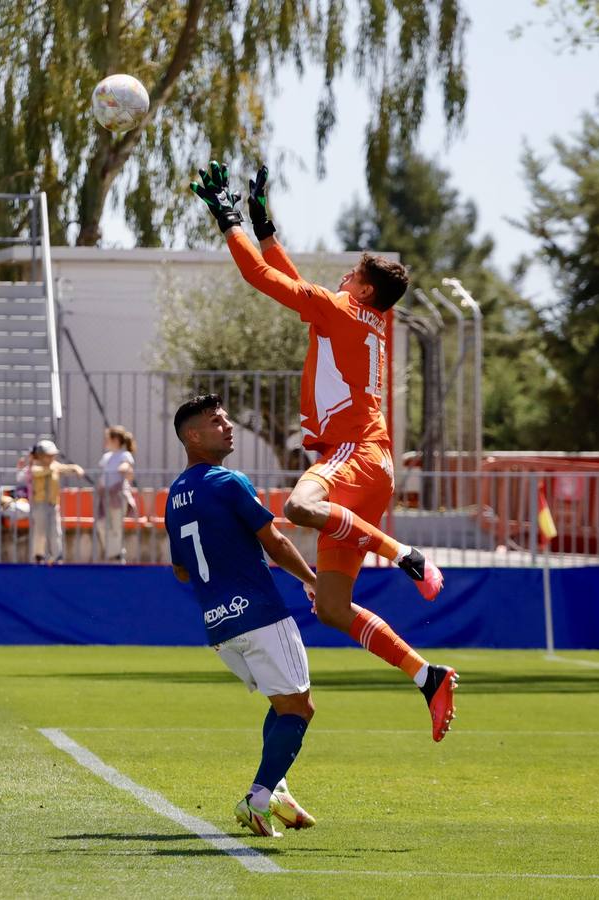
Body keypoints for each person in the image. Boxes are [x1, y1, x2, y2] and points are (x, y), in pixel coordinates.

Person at [192, 160, 456, 741]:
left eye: (352, 270)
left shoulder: (339, 311)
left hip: (352, 453)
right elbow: (286, 279)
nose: (342, 273)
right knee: (333, 607)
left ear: (362, 287)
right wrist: (263, 225)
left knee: (299, 504)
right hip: (374, 463)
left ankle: (406, 554)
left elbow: (263, 281)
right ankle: (427, 675)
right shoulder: (363, 318)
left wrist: (227, 219)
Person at [166, 395, 320, 839]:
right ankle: (258, 797)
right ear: (193, 436)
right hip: (259, 612)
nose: (228, 426)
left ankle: (279, 793)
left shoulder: (175, 494)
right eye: (216, 421)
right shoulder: (229, 481)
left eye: (227, 418)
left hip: (219, 624)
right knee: (299, 708)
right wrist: (312, 580)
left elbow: (180, 569)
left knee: (282, 701)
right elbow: (273, 541)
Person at [20, 439, 83, 564]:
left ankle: (57, 557)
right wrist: (53, 469)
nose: (51, 458)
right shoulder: (35, 467)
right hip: (39, 504)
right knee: (40, 531)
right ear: (40, 455)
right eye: (48, 455)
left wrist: (75, 468)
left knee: (55, 531)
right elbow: (37, 473)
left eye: (53, 455)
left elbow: (65, 468)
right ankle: (38, 556)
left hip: (53, 504)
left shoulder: (54, 465)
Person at [96, 425, 137, 563]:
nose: (105, 441)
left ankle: (116, 556)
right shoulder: (106, 457)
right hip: (105, 495)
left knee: (116, 526)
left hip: (117, 495)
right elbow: (103, 474)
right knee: (101, 524)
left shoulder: (124, 455)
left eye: (108, 439)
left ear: (116, 440)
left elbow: (126, 467)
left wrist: (124, 468)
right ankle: (114, 552)